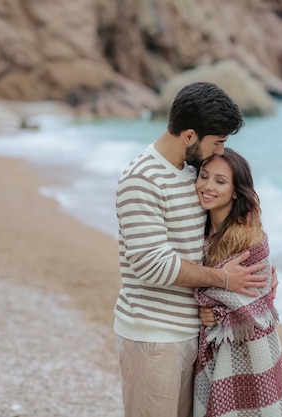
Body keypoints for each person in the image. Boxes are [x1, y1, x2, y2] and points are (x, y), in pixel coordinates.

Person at [113, 82, 271, 417]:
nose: (219, 152)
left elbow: (219, 237)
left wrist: (259, 276)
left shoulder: (193, 176)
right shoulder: (142, 179)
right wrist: (224, 279)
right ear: (189, 137)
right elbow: (152, 265)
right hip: (154, 336)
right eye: (217, 142)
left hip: (193, 335)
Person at [193, 148, 282, 417]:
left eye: (220, 181)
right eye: (204, 176)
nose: (208, 186)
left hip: (254, 349)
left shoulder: (250, 239)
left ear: (236, 191)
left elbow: (258, 297)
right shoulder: (193, 229)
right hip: (213, 347)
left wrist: (216, 308)